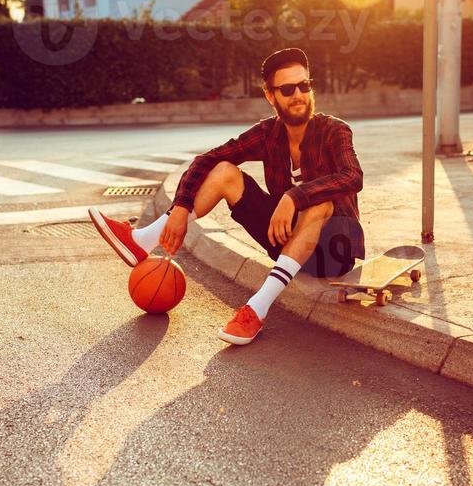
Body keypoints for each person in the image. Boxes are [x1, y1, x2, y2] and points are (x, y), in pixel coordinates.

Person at [89, 47, 365, 345]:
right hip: (286, 240)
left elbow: (353, 176)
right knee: (223, 171)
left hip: (335, 249)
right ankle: (144, 240)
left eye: (304, 85)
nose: (298, 94)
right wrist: (181, 208)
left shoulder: (334, 130)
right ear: (270, 96)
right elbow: (206, 160)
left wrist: (295, 196)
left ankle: (255, 310)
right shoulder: (268, 134)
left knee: (319, 202)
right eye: (287, 89)